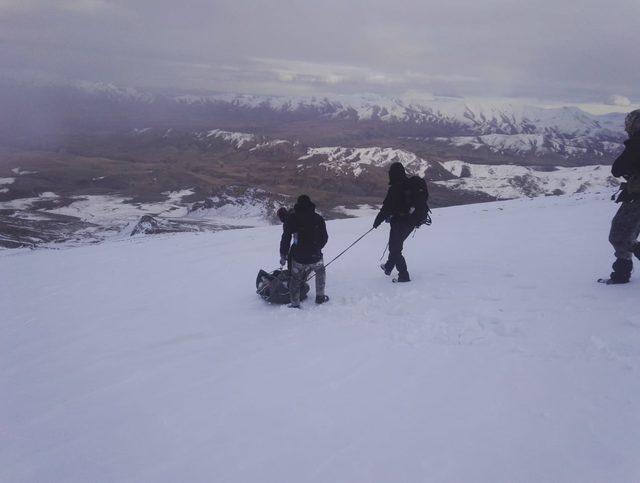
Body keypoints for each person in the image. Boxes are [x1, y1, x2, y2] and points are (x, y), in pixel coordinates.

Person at [601, 109, 640, 284]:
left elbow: (618, 168)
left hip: (637, 198)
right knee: (625, 235)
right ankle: (621, 274)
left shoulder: (638, 142)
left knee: (620, 235)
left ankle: (621, 274)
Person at [373, 162, 428, 283]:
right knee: (395, 245)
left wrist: (376, 222)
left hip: (400, 222)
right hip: (411, 222)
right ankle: (388, 267)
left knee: (395, 248)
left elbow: (386, 208)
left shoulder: (395, 189)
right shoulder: (410, 185)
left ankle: (404, 275)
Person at [280, 195, 329, 307]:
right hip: (315, 255)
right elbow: (325, 237)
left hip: (298, 256)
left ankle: (295, 303)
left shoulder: (292, 218)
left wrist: (283, 254)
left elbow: (286, 238)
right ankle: (320, 297)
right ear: (310, 204)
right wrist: (317, 248)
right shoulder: (318, 218)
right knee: (320, 272)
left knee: (295, 278)